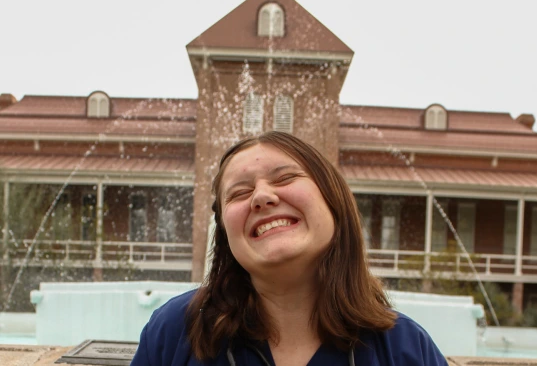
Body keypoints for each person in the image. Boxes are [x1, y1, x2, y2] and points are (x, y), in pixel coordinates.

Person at [131, 131, 448, 365]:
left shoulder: (405, 348)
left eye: (285, 178)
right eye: (240, 193)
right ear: (225, 232)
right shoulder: (175, 331)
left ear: (333, 203)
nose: (261, 196)